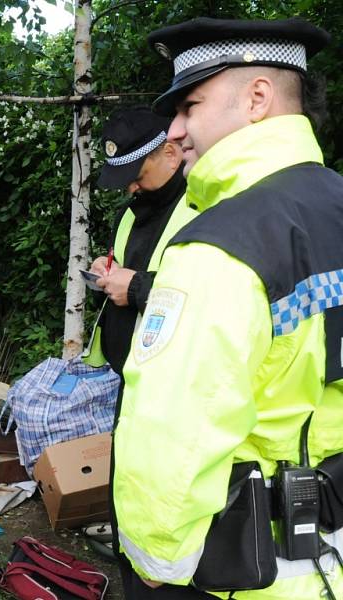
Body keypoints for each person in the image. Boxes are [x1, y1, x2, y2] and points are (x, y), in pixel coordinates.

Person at [113, 17, 343, 599]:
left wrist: (154, 561)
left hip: (237, 571)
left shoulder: (219, 245)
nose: (177, 129)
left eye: (190, 105)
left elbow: (174, 433)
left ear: (257, 98)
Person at [84, 107, 195, 377]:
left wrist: (136, 288)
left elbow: (212, 297)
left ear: (170, 154)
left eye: (137, 177)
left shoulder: (201, 209)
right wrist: (105, 275)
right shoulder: (128, 214)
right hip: (126, 380)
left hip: (174, 382)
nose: (130, 188)